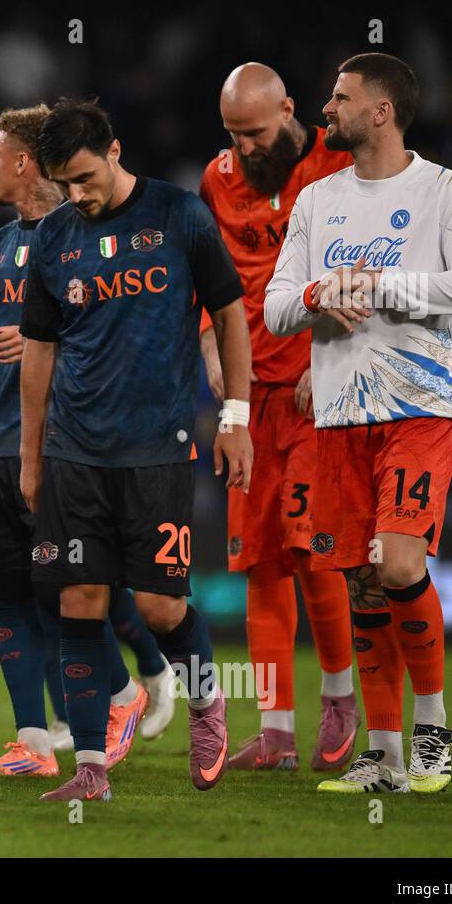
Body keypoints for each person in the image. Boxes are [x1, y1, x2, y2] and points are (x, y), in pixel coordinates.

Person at [0, 105, 172, 778]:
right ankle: (33, 743)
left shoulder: (82, 237)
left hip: (60, 441)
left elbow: (122, 329)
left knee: (63, 589)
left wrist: (47, 339)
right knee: (11, 594)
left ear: (25, 163)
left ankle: (125, 691)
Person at [265, 53, 452, 793]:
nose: (323, 110)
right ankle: (386, 753)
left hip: (421, 405)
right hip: (340, 411)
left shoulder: (444, 190)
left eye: (338, 97)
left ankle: (433, 732)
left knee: (398, 563)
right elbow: (275, 306)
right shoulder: (316, 201)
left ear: (381, 111)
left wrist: (381, 284)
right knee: (364, 580)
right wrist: (316, 294)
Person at [19, 98, 254, 802]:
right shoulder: (56, 237)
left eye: (87, 177)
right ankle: (91, 768)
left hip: (157, 448)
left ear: (115, 151)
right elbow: (38, 352)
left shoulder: (179, 215)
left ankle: (207, 701)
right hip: (75, 451)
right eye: (66, 183)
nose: (79, 195)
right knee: (81, 603)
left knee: (159, 608)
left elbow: (230, 314)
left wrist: (235, 416)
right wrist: (31, 455)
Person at [197, 63, 357, 773]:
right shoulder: (219, 177)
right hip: (251, 394)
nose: (247, 147)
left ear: (289, 110)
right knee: (258, 561)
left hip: (316, 391)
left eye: (256, 132)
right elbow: (218, 277)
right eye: (234, 134)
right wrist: (211, 345)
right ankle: (278, 732)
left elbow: (367, 270)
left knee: (311, 548)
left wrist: (334, 362)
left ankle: (340, 697)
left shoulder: (340, 163)